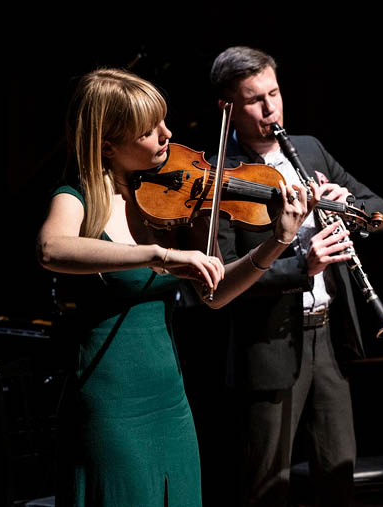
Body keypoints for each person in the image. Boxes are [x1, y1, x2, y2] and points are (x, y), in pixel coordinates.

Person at [37, 68, 317, 506]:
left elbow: (216, 293)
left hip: (170, 398)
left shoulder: (172, 198)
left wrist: (277, 240)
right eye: (150, 131)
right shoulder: (76, 197)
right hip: (110, 401)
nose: (168, 134)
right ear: (108, 145)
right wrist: (160, 256)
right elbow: (52, 250)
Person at [205, 46, 383, 507]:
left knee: (338, 473)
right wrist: (301, 265)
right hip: (267, 346)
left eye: (274, 92)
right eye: (255, 100)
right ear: (227, 107)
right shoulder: (217, 174)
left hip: (328, 337)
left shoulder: (309, 149)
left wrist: (349, 206)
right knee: (268, 484)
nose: (271, 108)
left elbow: (382, 211)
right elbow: (220, 280)